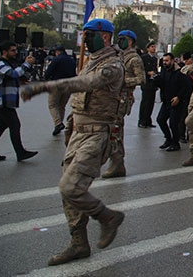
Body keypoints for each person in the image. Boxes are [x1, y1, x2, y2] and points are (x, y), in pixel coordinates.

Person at [20, 18, 125, 265]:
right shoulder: (91, 62)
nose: (85, 40)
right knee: (68, 193)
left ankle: (108, 217)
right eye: (85, 35)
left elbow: (85, 84)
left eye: (90, 36)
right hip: (79, 131)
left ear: (106, 37)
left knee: (70, 187)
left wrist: (44, 86)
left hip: (97, 134)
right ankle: (79, 243)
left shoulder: (112, 65)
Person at [102, 30, 145, 178]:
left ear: (131, 41)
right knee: (112, 129)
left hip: (123, 97)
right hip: (113, 96)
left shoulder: (134, 59)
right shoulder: (118, 56)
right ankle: (115, 162)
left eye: (123, 39)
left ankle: (117, 163)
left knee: (116, 130)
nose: (120, 42)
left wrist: (124, 81)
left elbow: (141, 79)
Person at [0, 41, 38, 161]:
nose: (15, 53)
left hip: (7, 100)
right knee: (14, 124)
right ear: (4, 52)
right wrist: (26, 65)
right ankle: (20, 152)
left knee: (1, 125)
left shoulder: (10, 63)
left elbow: (22, 76)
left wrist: (29, 66)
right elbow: (12, 74)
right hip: (2, 100)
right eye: (12, 50)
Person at [154, 53, 192, 152]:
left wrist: (179, 97)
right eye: (164, 61)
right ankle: (168, 139)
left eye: (167, 61)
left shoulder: (180, 72)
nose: (165, 63)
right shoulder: (163, 70)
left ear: (172, 61)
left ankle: (175, 143)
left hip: (176, 102)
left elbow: (187, 86)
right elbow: (162, 83)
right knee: (160, 120)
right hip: (166, 100)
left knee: (173, 123)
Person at [44, 45, 76, 135]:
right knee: (61, 106)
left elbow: (49, 71)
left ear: (57, 52)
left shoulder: (56, 59)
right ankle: (58, 124)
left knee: (52, 105)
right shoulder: (72, 60)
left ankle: (58, 123)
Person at [138, 41, 159, 128]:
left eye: (154, 47)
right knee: (145, 103)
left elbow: (156, 70)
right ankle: (142, 121)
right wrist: (148, 73)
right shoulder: (144, 58)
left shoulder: (155, 59)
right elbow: (140, 70)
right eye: (152, 47)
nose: (154, 48)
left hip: (152, 83)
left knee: (151, 103)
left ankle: (148, 120)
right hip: (146, 83)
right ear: (148, 49)